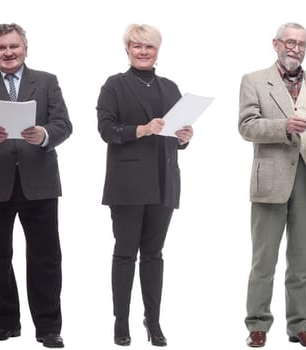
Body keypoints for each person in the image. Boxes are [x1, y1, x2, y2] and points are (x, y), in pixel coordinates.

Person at [0, 23, 72, 349]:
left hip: (40, 182)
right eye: (1, 48)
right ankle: (5, 323)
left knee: (45, 258)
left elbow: (63, 124)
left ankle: (48, 327)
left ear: (24, 48)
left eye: (13, 47)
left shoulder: (46, 82)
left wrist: (45, 135)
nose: (7, 53)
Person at [239, 22, 306, 349]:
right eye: (290, 42)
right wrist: (283, 126)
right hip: (271, 178)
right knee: (264, 259)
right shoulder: (254, 81)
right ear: (276, 44)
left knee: (302, 259)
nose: (296, 49)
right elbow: (247, 126)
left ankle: (300, 325)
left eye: (302, 44)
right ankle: (257, 324)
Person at [96, 23, 194, 347]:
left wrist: (184, 138)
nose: (142, 51)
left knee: (154, 255)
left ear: (157, 50)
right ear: (127, 49)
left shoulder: (170, 87)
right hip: (127, 184)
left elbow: (175, 137)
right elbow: (106, 130)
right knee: (125, 254)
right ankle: (120, 323)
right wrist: (142, 129)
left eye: (148, 46)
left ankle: (153, 321)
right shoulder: (114, 85)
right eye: (136, 46)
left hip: (164, 181)